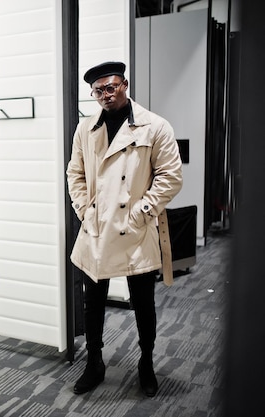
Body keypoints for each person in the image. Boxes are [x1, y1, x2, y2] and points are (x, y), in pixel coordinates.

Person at [66, 61, 182, 397]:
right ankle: (95, 363)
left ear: (125, 84)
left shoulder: (154, 126)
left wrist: (142, 212)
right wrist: (83, 209)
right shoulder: (85, 129)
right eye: (98, 90)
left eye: (111, 86)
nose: (105, 94)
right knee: (93, 304)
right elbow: (75, 174)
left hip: (135, 229)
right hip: (96, 228)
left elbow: (170, 177)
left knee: (143, 302)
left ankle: (146, 363)